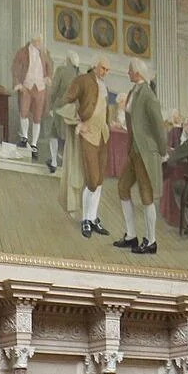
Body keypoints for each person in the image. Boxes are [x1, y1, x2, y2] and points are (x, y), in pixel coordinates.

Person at [112, 58, 165, 254]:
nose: (127, 73)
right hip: (134, 150)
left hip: (146, 152)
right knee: (123, 187)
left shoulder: (148, 95)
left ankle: (151, 241)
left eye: (130, 71)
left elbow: (158, 126)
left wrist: (163, 151)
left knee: (146, 195)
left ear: (137, 73)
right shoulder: (133, 92)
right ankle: (131, 236)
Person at [59, 56, 112, 238]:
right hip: (88, 135)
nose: (105, 72)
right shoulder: (82, 80)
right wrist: (78, 122)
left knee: (99, 181)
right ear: (94, 66)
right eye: (103, 68)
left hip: (102, 135)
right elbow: (65, 101)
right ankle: (85, 220)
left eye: (107, 70)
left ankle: (93, 217)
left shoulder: (104, 86)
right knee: (91, 180)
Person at [38, 50, 78, 173]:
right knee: (67, 137)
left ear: (68, 60)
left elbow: (53, 90)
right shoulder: (79, 75)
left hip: (59, 108)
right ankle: (67, 166)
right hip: (72, 110)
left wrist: (50, 106)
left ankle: (54, 162)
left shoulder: (61, 70)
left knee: (53, 134)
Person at [11, 36, 51, 154]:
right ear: (33, 41)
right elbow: (15, 68)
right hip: (27, 87)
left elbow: (49, 66)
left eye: (40, 41)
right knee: (24, 112)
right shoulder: (22, 52)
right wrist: (18, 84)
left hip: (40, 88)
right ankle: (24, 137)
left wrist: (48, 77)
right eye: (38, 41)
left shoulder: (44, 53)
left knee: (37, 117)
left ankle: (34, 144)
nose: (40, 43)